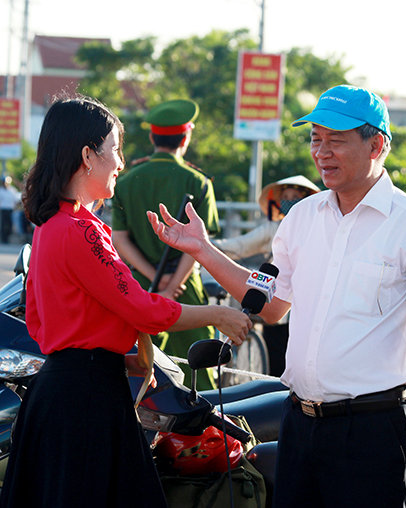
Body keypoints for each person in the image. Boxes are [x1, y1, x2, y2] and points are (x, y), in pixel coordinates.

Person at [147, 84, 406, 508]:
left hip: (373, 430)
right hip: (299, 422)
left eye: (336, 140)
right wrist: (203, 250)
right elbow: (272, 304)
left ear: (376, 145)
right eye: (316, 139)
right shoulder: (301, 217)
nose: (322, 152)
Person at [0, 96, 251, 508]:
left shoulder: (51, 224)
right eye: (115, 149)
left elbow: (48, 320)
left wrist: (121, 355)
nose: (120, 162)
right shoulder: (81, 230)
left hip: (64, 396)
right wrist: (219, 314)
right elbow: (142, 309)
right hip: (88, 403)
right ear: (87, 155)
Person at [112, 99, 221, 390]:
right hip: (186, 289)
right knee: (201, 375)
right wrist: (172, 287)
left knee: (138, 372)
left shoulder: (124, 181)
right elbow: (200, 245)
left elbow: (120, 239)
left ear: (151, 137)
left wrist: (153, 280)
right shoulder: (197, 181)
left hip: (138, 288)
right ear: (186, 138)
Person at [213, 175, 320, 376]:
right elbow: (241, 246)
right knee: (276, 361)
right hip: (277, 300)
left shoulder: (320, 228)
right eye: (285, 197)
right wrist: (209, 246)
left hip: (307, 302)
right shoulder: (275, 228)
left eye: (294, 197)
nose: (289, 201)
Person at [0, 176, 20, 243]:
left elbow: (16, 200)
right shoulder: (1, 191)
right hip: (3, 209)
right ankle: (3, 239)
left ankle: (8, 237)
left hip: (10, 210)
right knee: (3, 224)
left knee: (10, 224)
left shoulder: (12, 190)